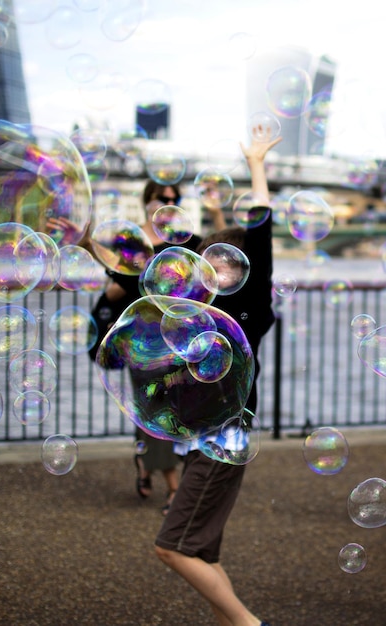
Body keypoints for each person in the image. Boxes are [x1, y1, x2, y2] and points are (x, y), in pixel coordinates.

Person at [153, 128, 281, 626]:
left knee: (171, 548)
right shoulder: (201, 319)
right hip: (208, 441)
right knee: (202, 554)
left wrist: (255, 166)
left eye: (223, 267)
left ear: (245, 275)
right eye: (206, 266)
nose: (212, 275)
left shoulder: (248, 310)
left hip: (220, 441)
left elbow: (260, 233)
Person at [102, 179, 223, 513]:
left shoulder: (188, 242)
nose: (168, 201)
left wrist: (217, 213)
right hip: (141, 338)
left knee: (172, 410)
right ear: (147, 200)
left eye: (173, 197)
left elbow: (216, 265)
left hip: (180, 337)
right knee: (151, 408)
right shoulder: (129, 242)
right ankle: (172, 487)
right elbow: (115, 286)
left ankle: (147, 464)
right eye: (161, 197)